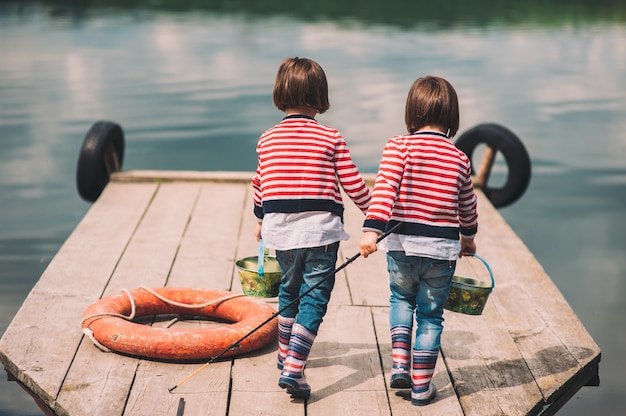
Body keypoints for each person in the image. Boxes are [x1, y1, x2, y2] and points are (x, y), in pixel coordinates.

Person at [252, 57, 371, 399]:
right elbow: (353, 183)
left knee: (289, 292)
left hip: (281, 233)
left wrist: (261, 219)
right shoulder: (330, 136)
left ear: (280, 94)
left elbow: (260, 183)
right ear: (320, 96)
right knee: (314, 298)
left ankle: (284, 355)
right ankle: (294, 368)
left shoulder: (267, 139)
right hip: (320, 233)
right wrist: (375, 214)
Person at [359, 75, 478, 406]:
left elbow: (384, 191)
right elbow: (468, 205)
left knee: (401, 298)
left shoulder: (399, 146)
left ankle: (400, 364)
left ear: (411, 112)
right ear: (452, 118)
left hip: (402, 248)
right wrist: (467, 238)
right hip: (442, 252)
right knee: (430, 315)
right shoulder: (459, 157)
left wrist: (372, 230)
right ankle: (422, 387)